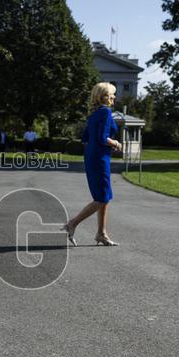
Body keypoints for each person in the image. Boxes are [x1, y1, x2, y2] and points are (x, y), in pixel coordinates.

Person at [65, 82, 122, 246]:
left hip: (92, 155)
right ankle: (72, 224)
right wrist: (116, 143)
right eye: (112, 94)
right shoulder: (105, 112)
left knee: (105, 196)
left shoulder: (95, 113)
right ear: (106, 96)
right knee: (102, 197)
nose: (114, 97)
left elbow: (85, 137)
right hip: (99, 158)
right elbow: (103, 138)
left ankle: (101, 234)